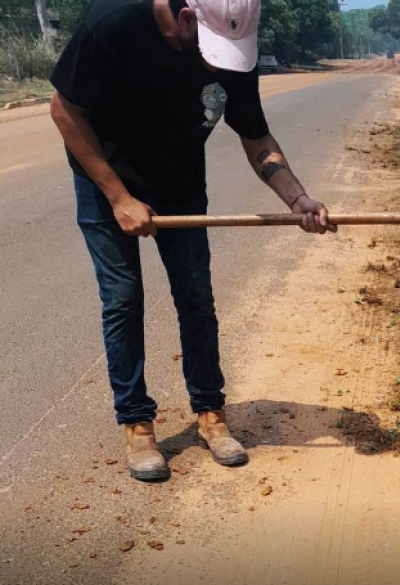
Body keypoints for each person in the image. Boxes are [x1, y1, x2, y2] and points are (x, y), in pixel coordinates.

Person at [49, 0, 336, 481]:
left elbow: (256, 136)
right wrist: (119, 196)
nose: (219, 66)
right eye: (212, 54)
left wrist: (297, 198)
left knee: (196, 296)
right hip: (105, 181)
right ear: (185, 20)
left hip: (179, 182)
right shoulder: (112, 25)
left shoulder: (232, 43)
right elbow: (64, 110)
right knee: (122, 299)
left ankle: (210, 414)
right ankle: (137, 424)